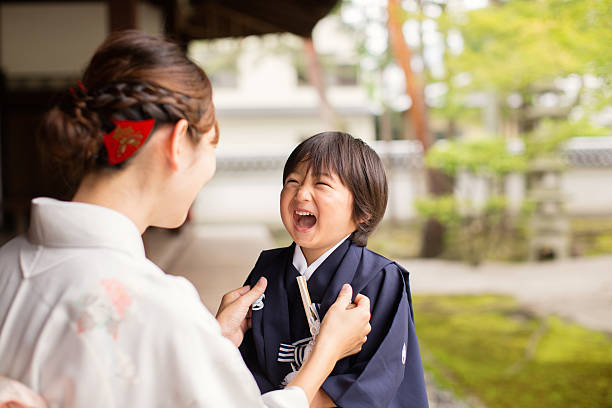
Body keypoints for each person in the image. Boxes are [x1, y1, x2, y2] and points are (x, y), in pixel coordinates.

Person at [0, 31, 372, 407]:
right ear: (178, 144)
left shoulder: (7, 263)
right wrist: (325, 354)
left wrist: (211, 339)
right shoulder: (156, 305)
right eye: (211, 146)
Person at [239, 132, 429, 407]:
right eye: (292, 181)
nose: (301, 193)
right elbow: (246, 362)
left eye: (322, 184)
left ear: (363, 210)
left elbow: (376, 379)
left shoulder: (380, 278)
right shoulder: (267, 270)